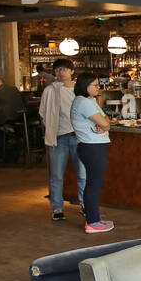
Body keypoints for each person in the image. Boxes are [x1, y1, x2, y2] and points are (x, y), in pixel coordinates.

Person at [39, 58, 87, 221]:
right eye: (58, 69)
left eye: (65, 69)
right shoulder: (50, 90)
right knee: (56, 175)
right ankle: (57, 208)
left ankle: (84, 204)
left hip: (78, 136)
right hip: (58, 137)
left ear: (72, 71)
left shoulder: (80, 90)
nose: (61, 72)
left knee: (82, 173)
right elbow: (43, 112)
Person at [70, 71, 114, 233]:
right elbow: (106, 124)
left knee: (95, 183)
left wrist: (104, 123)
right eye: (95, 85)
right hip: (91, 146)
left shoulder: (89, 100)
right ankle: (92, 222)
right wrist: (103, 124)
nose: (98, 87)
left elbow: (106, 119)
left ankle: (94, 218)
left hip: (94, 146)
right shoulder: (83, 102)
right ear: (85, 86)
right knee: (94, 185)